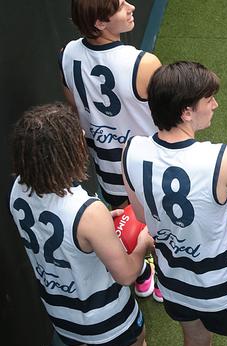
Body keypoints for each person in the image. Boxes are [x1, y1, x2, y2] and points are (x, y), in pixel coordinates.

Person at [122, 61, 227, 346]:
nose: (215, 104)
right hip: (225, 284)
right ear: (186, 111)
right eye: (208, 99)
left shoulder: (131, 149)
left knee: (196, 340)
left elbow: (140, 213)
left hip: (174, 279)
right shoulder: (220, 158)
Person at [9, 103, 154, 346]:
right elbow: (126, 274)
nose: (83, 138)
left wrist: (93, 234)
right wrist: (142, 244)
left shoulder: (17, 191)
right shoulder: (87, 211)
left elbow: (58, 235)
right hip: (104, 310)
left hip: (59, 307)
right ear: (64, 153)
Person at [59, 0, 163, 301]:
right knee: (163, 224)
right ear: (101, 23)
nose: (131, 7)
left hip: (106, 166)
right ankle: (161, 279)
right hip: (148, 167)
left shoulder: (66, 55)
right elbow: (166, 121)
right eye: (120, 6)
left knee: (126, 220)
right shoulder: (144, 63)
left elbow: (74, 110)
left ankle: (143, 273)